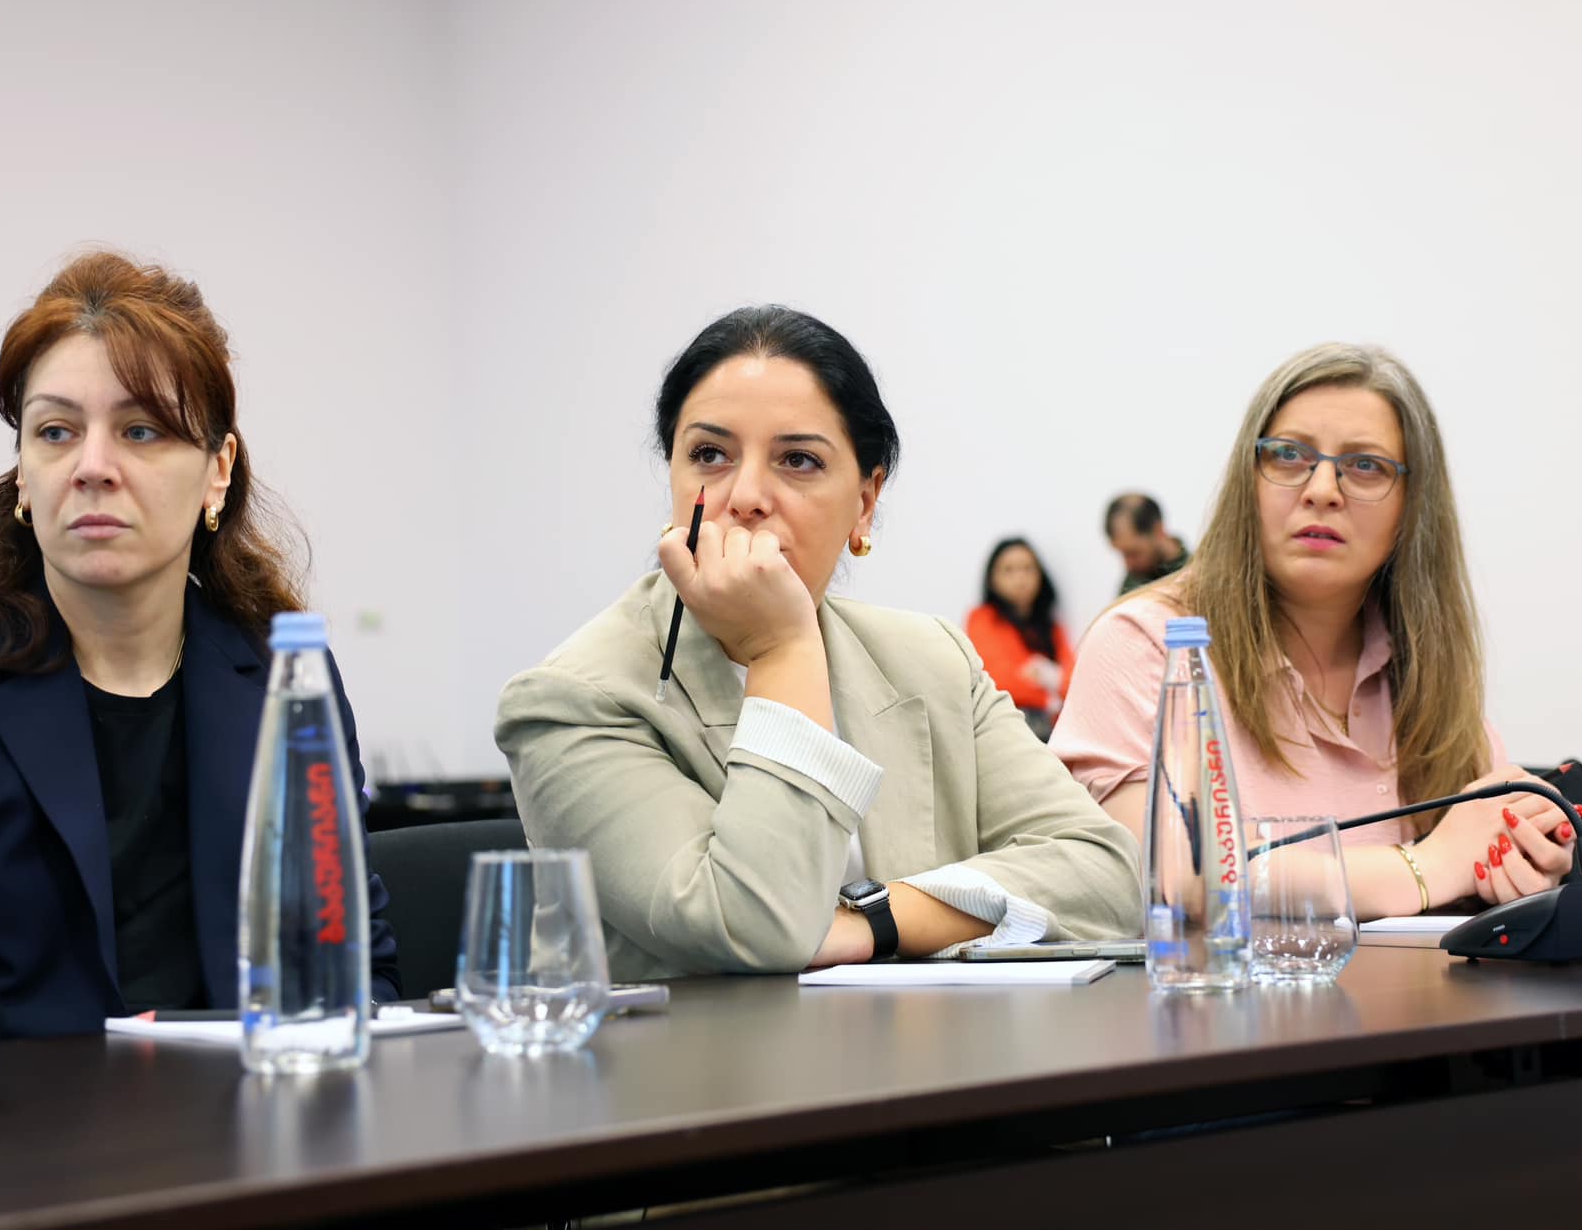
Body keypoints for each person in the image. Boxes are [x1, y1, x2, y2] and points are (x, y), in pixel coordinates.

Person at [0, 252, 400, 1035]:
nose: (92, 467)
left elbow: (356, 973)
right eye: (55, 432)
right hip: (0, 1111)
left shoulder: (279, 681)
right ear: (23, 474)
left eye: (141, 430)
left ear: (218, 471)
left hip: (245, 1108)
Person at [496, 306, 1141, 981]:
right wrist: (781, 648)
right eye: (709, 455)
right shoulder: (570, 698)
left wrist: (870, 923)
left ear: (865, 502)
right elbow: (759, 926)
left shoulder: (932, 660)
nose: (745, 495)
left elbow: (1106, 875)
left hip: (925, 1045)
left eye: (798, 460)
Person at [1051, 344, 1574, 920]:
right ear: (1248, 481)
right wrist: (1427, 867)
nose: (1322, 488)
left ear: (1413, 506)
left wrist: (1517, 863)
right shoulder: (1147, 643)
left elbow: (1480, 845)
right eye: (1288, 455)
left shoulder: (1426, 664)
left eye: (1366, 465)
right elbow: (1171, 874)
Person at [966, 537, 1076, 738]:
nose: (1020, 578)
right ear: (992, 579)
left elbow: (1075, 682)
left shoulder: (1052, 627)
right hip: (1009, 729)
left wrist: (1046, 677)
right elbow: (998, 681)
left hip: (1055, 732)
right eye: (1008, 570)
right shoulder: (982, 618)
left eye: (1028, 569)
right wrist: (1049, 696)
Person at [1105, 493, 1190, 595]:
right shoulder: (1133, 580)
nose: (1128, 565)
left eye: (1134, 553)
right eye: (1122, 554)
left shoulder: (1198, 577)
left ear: (1158, 530)